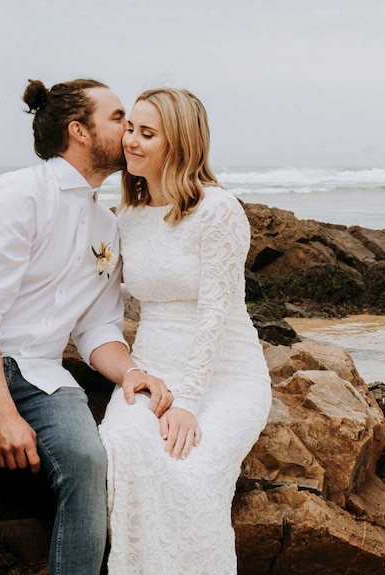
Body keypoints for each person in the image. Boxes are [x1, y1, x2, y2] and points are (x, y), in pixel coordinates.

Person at [0, 78, 172, 575]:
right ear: (79, 131)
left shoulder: (107, 227)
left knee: (89, 460)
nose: (129, 132)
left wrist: (130, 373)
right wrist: (3, 418)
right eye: (118, 120)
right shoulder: (17, 195)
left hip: (40, 372)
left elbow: (97, 329)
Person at [98, 88, 272, 574]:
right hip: (152, 368)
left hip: (225, 374)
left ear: (180, 144)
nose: (130, 141)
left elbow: (215, 313)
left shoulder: (218, 211)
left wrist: (189, 401)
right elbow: (97, 304)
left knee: (191, 474)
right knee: (124, 448)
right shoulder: (125, 218)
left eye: (146, 133)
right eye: (129, 127)